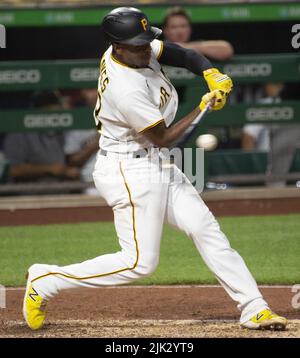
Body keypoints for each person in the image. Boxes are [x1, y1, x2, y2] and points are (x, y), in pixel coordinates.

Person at [23, 7, 287, 332]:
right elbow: (163, 139)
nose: (146, 48)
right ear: (117, 46)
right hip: (129, 170)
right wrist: (204, 107)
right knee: (139, 263)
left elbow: (180, 53)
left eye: (146, 41)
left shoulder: (131, 48)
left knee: (205, 227)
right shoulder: (125, 86)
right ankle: (45, 280)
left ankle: (254, 307)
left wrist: (208, 71)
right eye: (138, 44)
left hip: (151, 161)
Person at [3, 91, 80, 183]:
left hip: (61, 190)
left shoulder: (61, 131)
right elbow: (12, 170)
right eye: (51, 110)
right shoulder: (20, 133)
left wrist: (67, 171)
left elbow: (65, 165)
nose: (56, 117)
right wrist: (48, 169)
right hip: (30, 193)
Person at [162, 7, 233, 61]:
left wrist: (187, 47)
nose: (180, 31)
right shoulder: (157, 47)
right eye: (174, 27)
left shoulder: (195, 46)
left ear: (190, 29)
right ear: (165, 30)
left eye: (183, 26)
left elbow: (227, 50)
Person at [64, 89, 100, 193]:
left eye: (96, 88)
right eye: (90, 90)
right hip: (90, 181)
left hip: (120, 178)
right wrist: (94, 145)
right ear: (83, 93)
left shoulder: (120, 116)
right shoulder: (78, 121)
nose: (95, 94)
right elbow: (72, 161)